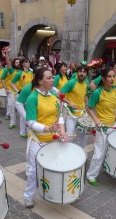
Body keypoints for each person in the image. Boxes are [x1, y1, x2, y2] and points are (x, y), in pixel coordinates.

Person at [24, 68, 67, 208]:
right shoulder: (32, 98)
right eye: (48, 78)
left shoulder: (54, 98)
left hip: (53, 139)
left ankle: (51, 190)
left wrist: (63, 131)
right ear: (40, 81)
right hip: (37, 140)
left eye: (52, 77)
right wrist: (48, 128)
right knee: (33, 171)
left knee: (52, 167)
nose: (52, 80)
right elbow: (30, 122)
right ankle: (28, 196)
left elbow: (59, 116)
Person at [86, 68, 116, 186]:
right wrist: (96, 120)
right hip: (102, 127)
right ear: (103, 79)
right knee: (99, 153)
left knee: (112, 149)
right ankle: (90, 175)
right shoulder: (98, 92)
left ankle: (108, 168)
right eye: (109, 76)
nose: (112, 79)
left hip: (113, 125)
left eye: (113, 76)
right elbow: (89, 107)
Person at [60, 65, 89, 148]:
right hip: (71, 115)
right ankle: (66, 154)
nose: (82, 74)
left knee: (84, 135)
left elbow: (85, 95)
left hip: (82, 114)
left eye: (84, 72)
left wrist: (87, 103)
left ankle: (81, 153)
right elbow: (59, 94)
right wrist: (70, 103)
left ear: (86, 74)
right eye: (80, 72)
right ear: (77, 72)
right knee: (69, 136)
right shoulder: (71, 82)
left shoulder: (86, 84)